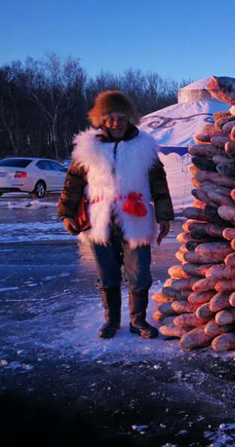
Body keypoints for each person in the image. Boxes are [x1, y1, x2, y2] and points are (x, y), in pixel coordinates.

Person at [58, 90, 174, 339]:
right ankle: (111, 322)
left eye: (121, 117)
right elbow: (73, 183)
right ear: (101, 119)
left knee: (140, 273)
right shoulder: (88, 148)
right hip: (100, 219)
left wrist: (164, 216)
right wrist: (66, 213)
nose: (116, 123)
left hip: (136, 217)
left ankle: (138, 321)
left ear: (130, 118)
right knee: (107, 274)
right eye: (110, 117)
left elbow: (159, 184)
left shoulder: (145, 147)